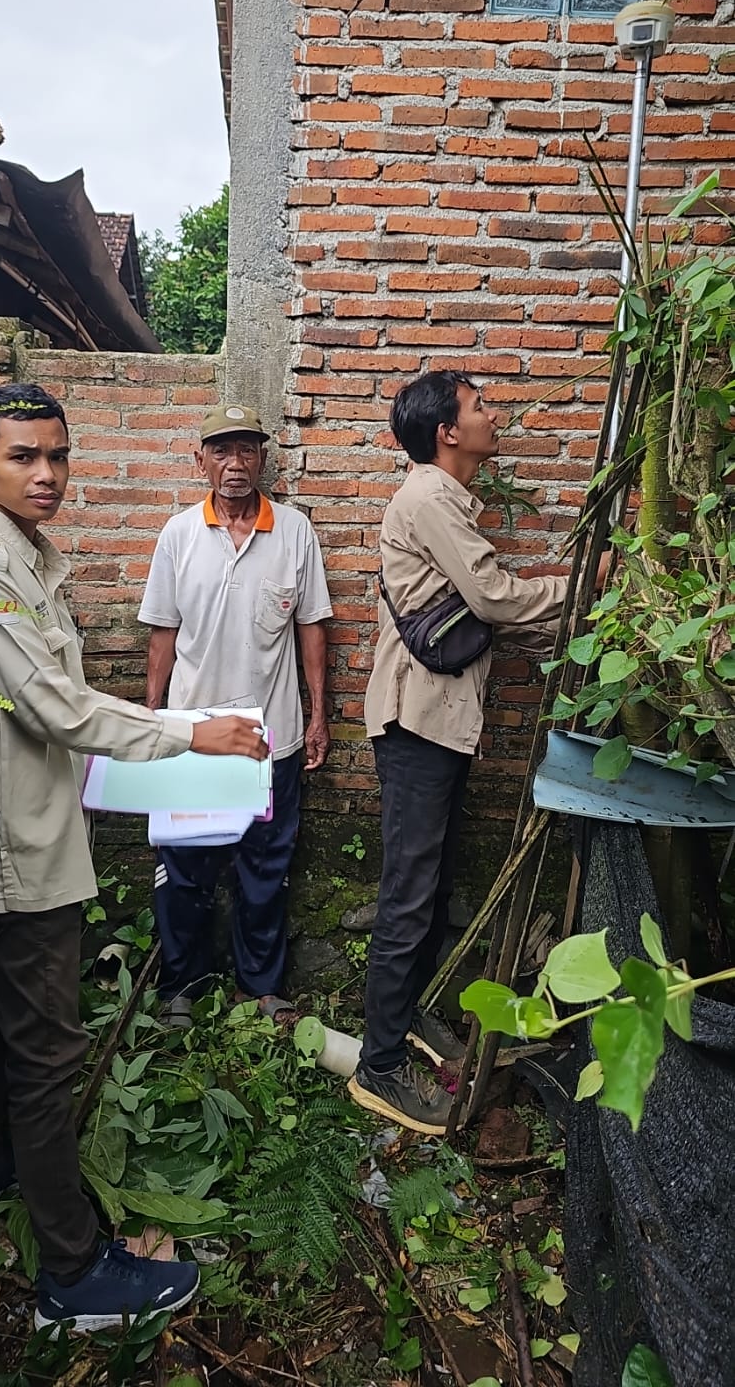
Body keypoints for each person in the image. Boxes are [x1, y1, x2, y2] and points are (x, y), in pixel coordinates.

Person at [0, 383, 267, 1334]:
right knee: (46, 1055)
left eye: (58, 456)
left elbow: (62, 707)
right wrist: (192, 736)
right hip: (20, 842)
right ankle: (72, 1277)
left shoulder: (26, 553)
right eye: (22, 458)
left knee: (4, 1020)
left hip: (44, 822)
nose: (46, 475)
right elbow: (59, 710)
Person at [348, 371, 570, 1135]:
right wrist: (582, 590)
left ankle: (406, 1016)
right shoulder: (429, 497)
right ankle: (378, 1066)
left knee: (432, 884)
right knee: (409, 892)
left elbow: (491, 613)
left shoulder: (443, 500)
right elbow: (495, 601)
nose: (492, 415)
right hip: (416, 723)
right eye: (480, 406)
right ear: (447, 430)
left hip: (437, 720)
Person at [139, 404, 332, 1026]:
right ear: (200, 460)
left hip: (269, 743)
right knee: (186, 868)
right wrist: (151, 719)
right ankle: (181, 988)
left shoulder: (295, 532)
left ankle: (263, 987)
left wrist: (318, 716)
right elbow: (163, 636)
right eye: (220, 451)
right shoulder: (178, 534)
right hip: (192, 739)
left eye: (245, 450)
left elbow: (312, 629)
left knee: (264, 869)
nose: (234, 464)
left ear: (263, 459)